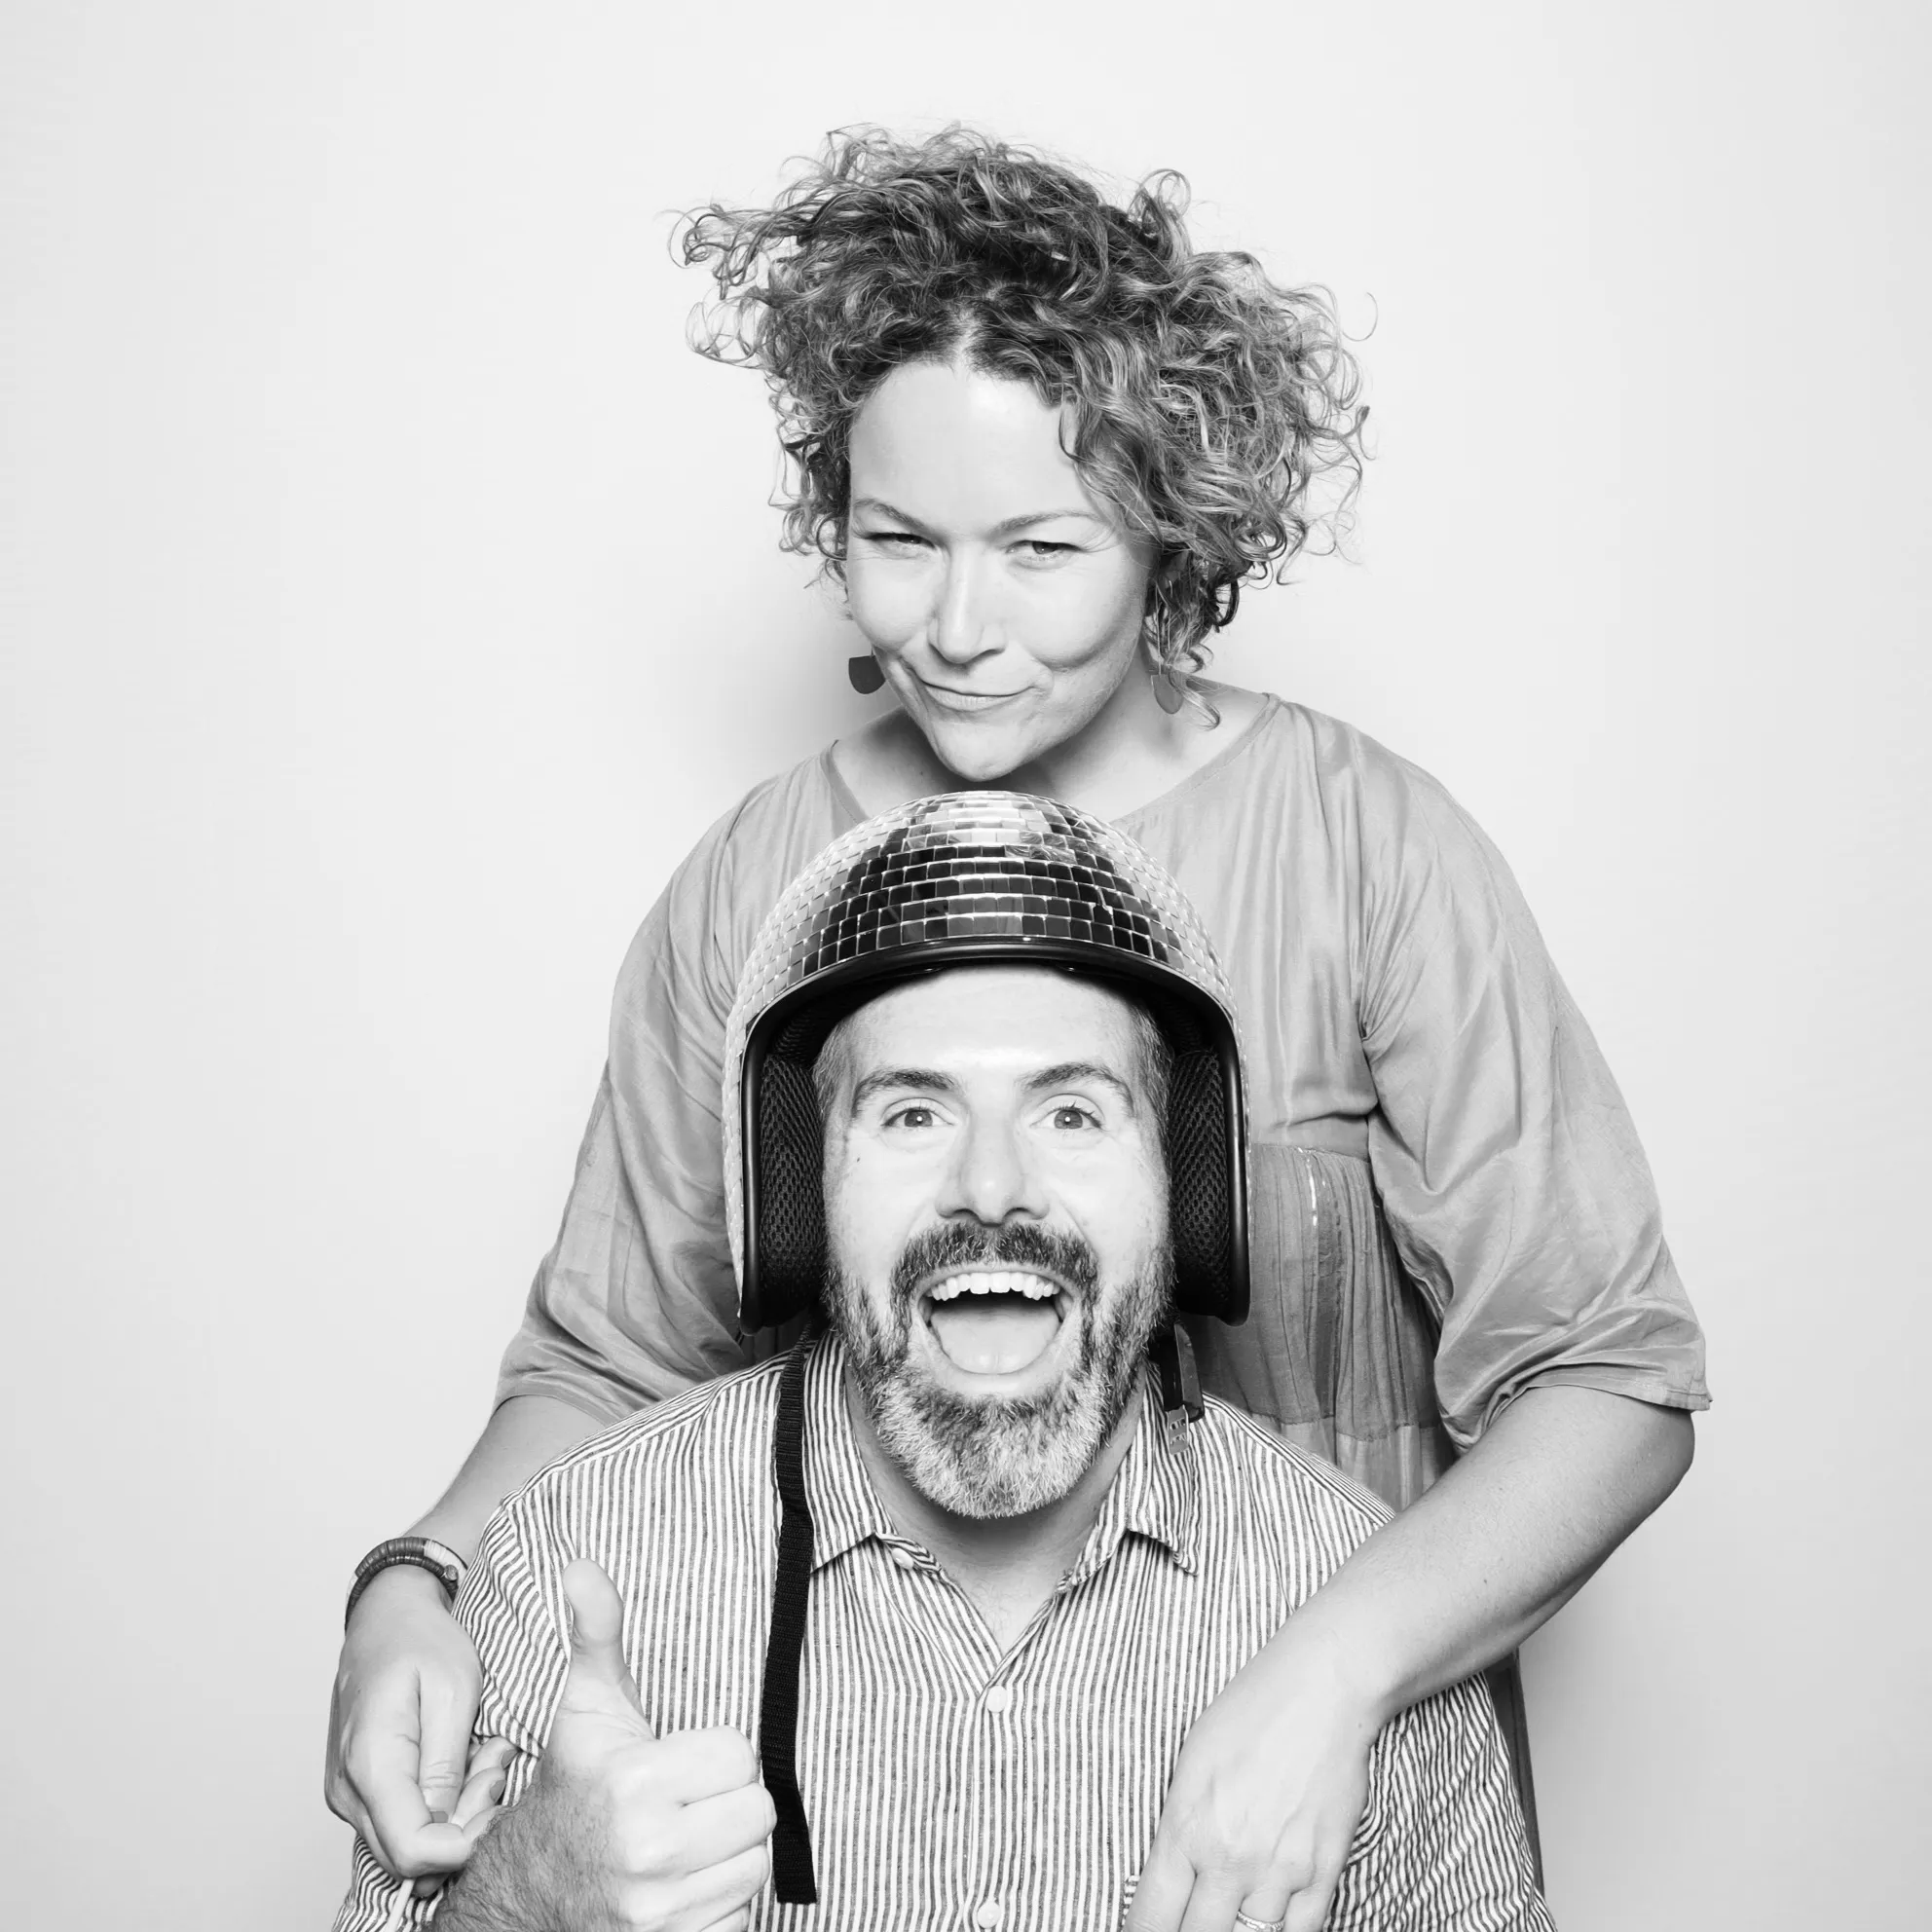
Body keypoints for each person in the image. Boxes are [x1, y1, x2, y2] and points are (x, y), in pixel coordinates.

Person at [326, 129, 1707, 1931]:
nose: (957, 628)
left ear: (1167, 529)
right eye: (897, 543)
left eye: (1039, 547)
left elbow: (1605, 1376)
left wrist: (1322, 1683)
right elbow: (606, 1356)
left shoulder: (1369, 849)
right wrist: (414, 1579)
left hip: (1304, 1805)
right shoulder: (755, 876)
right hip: (878, 1777)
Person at [334, 796, 1551, 1932]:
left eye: (1071, 1113)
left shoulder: (1350, 1603)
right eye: (912, 1114)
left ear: (1185, 1190)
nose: (989, 1188)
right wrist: (523, 1900)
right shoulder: (569, 1559)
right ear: (798, 1197)